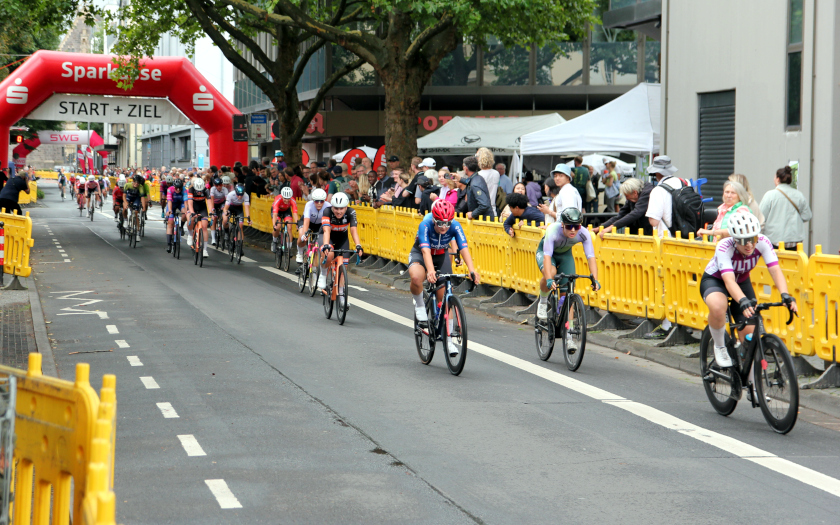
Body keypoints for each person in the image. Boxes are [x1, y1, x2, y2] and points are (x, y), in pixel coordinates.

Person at [700, 213, 797, 373]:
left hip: (742, 282)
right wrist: (742, 300)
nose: (749, 245)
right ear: (734, 239)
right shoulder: (724, 246)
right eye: (743, 241)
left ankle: (755, 389)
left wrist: (785, 295)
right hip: (716, 280)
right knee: (718, 306)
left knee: (751, 338)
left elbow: (775, 270)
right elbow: (729, 280)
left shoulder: (763, 242)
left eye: (753, 239)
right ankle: (720, 347)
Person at [408, 199, 481, 356]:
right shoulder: (425, 224)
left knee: (446, 298)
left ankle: (449, 342)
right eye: (440, 223)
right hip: (421, 254)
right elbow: (426, 251)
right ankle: (420, 305)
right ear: (434, 219)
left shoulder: (455, 225)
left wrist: (472, 270)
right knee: (415, 278)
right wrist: (429, 271)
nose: (444, 227)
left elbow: (464, 248)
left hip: (441, 256)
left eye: (447, 223)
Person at [644, 155, 686, 338]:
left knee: (666, 284)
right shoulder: (684, 184)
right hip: (686, 239)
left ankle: (667, 325)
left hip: (667, 241)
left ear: (657, 172)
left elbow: (653, 221)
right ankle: (684, 321)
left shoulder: (658, 191)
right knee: (682, 281)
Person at [536, 208, 601, 328]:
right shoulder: (553, 230)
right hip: (547, 254)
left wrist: (595, 280)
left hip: (565, 256)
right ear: (562, 225)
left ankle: (570, 332)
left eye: (576, 227)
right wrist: (549, 279)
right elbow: (547, 257)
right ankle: (543, 302)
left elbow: (591, 257)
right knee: (551, 272)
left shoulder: (584, 233)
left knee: (568, 293)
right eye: (569, 226)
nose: (572, 230)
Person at [759, 165, 812, 250]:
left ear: (778, 179)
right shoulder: (799, 195)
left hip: (774, 241)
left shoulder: (770, 195)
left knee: (774, 263)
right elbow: (807, 216)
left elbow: (760, 217)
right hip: (795, 241)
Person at [319, 192, 363, 291]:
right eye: (336, 208)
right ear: (332, 207)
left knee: (344, 266)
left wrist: (358, 245)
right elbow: (326, 230)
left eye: (341, 208)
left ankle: (341, 292)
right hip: (327, 236)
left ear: (346, 207)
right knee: (329, 254)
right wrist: (326, 245)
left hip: (342, 238)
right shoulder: (327, 211)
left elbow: (353, 231)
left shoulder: (351, 212)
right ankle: (323, 273)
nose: (339, 211)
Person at [296, 187, 330, 267]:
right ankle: (300, 253)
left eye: (321, 201)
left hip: (320, 224)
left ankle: (314, 266)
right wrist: (305, 234)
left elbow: (329, 223)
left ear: (324, 200)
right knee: (302, 236)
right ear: (313, 200)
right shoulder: (309, 205)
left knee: (319, 241)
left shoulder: (328, 206)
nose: (319, 203)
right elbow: (306, 221)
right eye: (316, 201)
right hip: (308, 222)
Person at [456, 156, 493, 220]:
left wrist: (473, 214)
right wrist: (460, 179)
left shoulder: (475, 184)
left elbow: (484, 205)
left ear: (465, 168)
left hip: (483, 222)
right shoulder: (477, 177)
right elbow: (469, 181)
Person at [185, 177, 211, 258]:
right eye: (197, 191)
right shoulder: (191, 190)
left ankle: (205, 250)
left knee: (204, 226)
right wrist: (192, 213)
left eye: (200, 191)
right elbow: (190, 203)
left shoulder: (206, 190)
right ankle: (190, 234)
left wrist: (211, 213)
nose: (199, 192)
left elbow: (209, 203)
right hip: (193, 206)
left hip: (202, 208)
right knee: (190, 218)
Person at [271, 186, 299, 253]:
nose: (286, 200)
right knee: (277, 227)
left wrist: (297, 223)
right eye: (285, 198)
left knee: (289, 227)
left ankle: (289, 248)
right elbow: (275, 214)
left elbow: (295, 214)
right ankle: (274, 241)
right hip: (277, 211)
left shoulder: (293, 200)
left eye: (288, 198)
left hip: (286, 211)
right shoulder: (277, 199)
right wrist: (274, 224)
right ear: (282, 196)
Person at [476, 147, 500, 216]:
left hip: (481, 210)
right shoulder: (496, 173)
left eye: (477, 156)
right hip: (493, 209)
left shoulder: (479, 175)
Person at [165, 179, 187, 253]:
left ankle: (181, 227)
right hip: (172, 204)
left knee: (185, 214)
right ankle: (169, 244)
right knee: (170, 223)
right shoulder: (170, 189)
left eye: (179, 188)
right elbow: (169, 201)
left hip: (181, 204)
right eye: (176, 188)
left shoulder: (184, 190)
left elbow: (186, 202)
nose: (178, 190)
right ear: (174, 187)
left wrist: (186, 211)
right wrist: (170, 210)